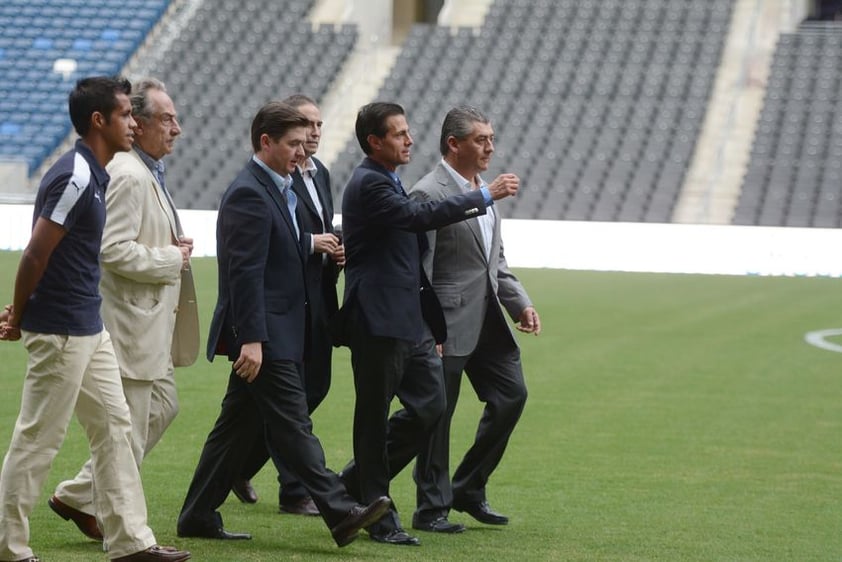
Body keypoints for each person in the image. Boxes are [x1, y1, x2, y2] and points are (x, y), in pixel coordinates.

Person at [176, 101, 389, 547]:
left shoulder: (281, 188)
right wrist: (251, 339)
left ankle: (197, 514)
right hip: (265, 334)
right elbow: (245, 273)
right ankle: (341, 511)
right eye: (292, 144)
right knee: (293, 426)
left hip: (281, 328)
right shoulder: (249, 193)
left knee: (233, 428)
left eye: (303, 143)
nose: (300, 152)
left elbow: (284, 254)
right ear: (265, 142)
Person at [0, 76, 190, 562]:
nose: (135, 123)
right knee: (39, 437)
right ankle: (9, 546)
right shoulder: (77, 175)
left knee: (117, 429)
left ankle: (130, 543)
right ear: (99, 121)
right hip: (61, 328)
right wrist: (18, 316)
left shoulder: (99, 172)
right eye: (127, 115)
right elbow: (35, 253)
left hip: (90, 325)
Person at [334, 101, 518, 546]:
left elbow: (412, 260)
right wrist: (483, 196)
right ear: (374, 141)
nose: (409, 139)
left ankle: (353, 485)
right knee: (373, 420)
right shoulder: (370, 184)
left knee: (431, 408)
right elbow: (418, 220)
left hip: (410, 321)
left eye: (408, 131)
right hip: (377, 321)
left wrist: (433, 324)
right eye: (398, 134)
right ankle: (379, 516)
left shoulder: (388, 181)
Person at [49, 77, 199, 541]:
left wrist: (169, 247)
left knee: (160, 408)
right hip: (130, 322)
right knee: (126, 430)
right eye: (167, 118)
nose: (176, 127)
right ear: (141, 122)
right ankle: (124, 529)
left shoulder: (145, 171)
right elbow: (111, 250)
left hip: (148, 322)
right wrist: (171, 258)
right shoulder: (130, 175)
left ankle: (78, 494)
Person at [409, 106, 540, 533]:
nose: (491, 147)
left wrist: (519, 302)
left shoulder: (484, 190)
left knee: (511, 396)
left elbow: (493, 261)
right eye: (482, 139)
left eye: (491, 138)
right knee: (436, 418)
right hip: (445, 324)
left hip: (486, 321)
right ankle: (431, 508)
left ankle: (467, 486)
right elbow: (419, 268)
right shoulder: (429, 192)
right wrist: (430, 328)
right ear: (454, 144)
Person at [231, 95, 342, 516]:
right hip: (285, 305)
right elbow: (277, 240)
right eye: (306, 126)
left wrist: (334, 247)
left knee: (306, 392)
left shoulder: (321, 174)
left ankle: (236, 470)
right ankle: (298, 490)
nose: (313, 133)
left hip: (316, 300)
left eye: (317, 125)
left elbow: (316, 226)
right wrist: (313, 244)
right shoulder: (278, 173)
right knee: (291, 404)